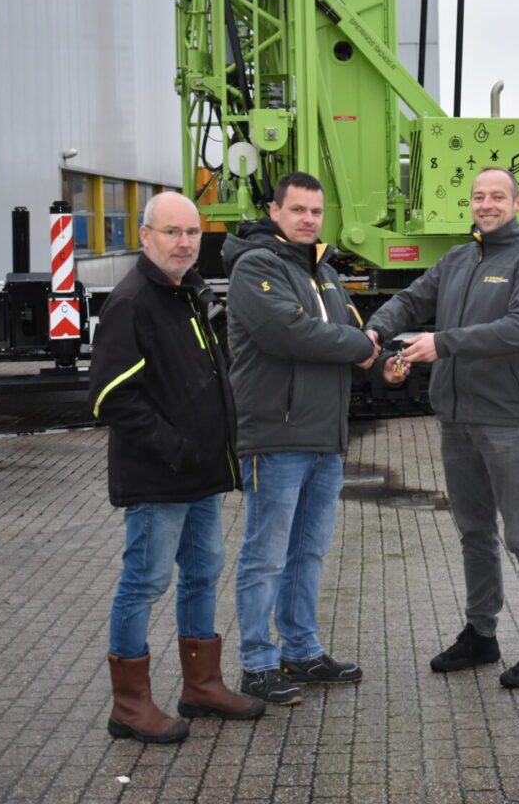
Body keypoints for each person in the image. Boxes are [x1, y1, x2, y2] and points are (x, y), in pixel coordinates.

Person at [367, 167, 519, 688]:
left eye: (497, 196)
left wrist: (443, 342)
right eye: (479, 196)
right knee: (474, 531)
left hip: (503, 418)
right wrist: (375, 330)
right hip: (455, 418)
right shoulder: (457, 260)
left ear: (518, 203)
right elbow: (411, 300)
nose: (486, 204)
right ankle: (482, 633)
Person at [88, 191, 265, 744]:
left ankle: (202, 686)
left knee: (203, 572)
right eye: (172, 232)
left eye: (192, 233)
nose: (184, 243)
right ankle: (129, 707)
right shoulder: (132, 302)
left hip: (200, 476)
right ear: (146, 236)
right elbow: (110, 397)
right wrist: (173, 446)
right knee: (145, 582)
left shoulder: (188, 292)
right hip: (159, 478)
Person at [223, 172, 378, 707]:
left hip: (324, 439)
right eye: (298, 210)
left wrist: (376, 354)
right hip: (277, 436)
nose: (309, 219)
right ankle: (257, 663)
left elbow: (351, 333)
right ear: (275, 211)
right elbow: (289, 333)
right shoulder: (256, 267)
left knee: (308, 553)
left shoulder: (325, 272)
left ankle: (302, 651)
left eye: (316, 211)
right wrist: (359, 345)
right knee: (265, 555)